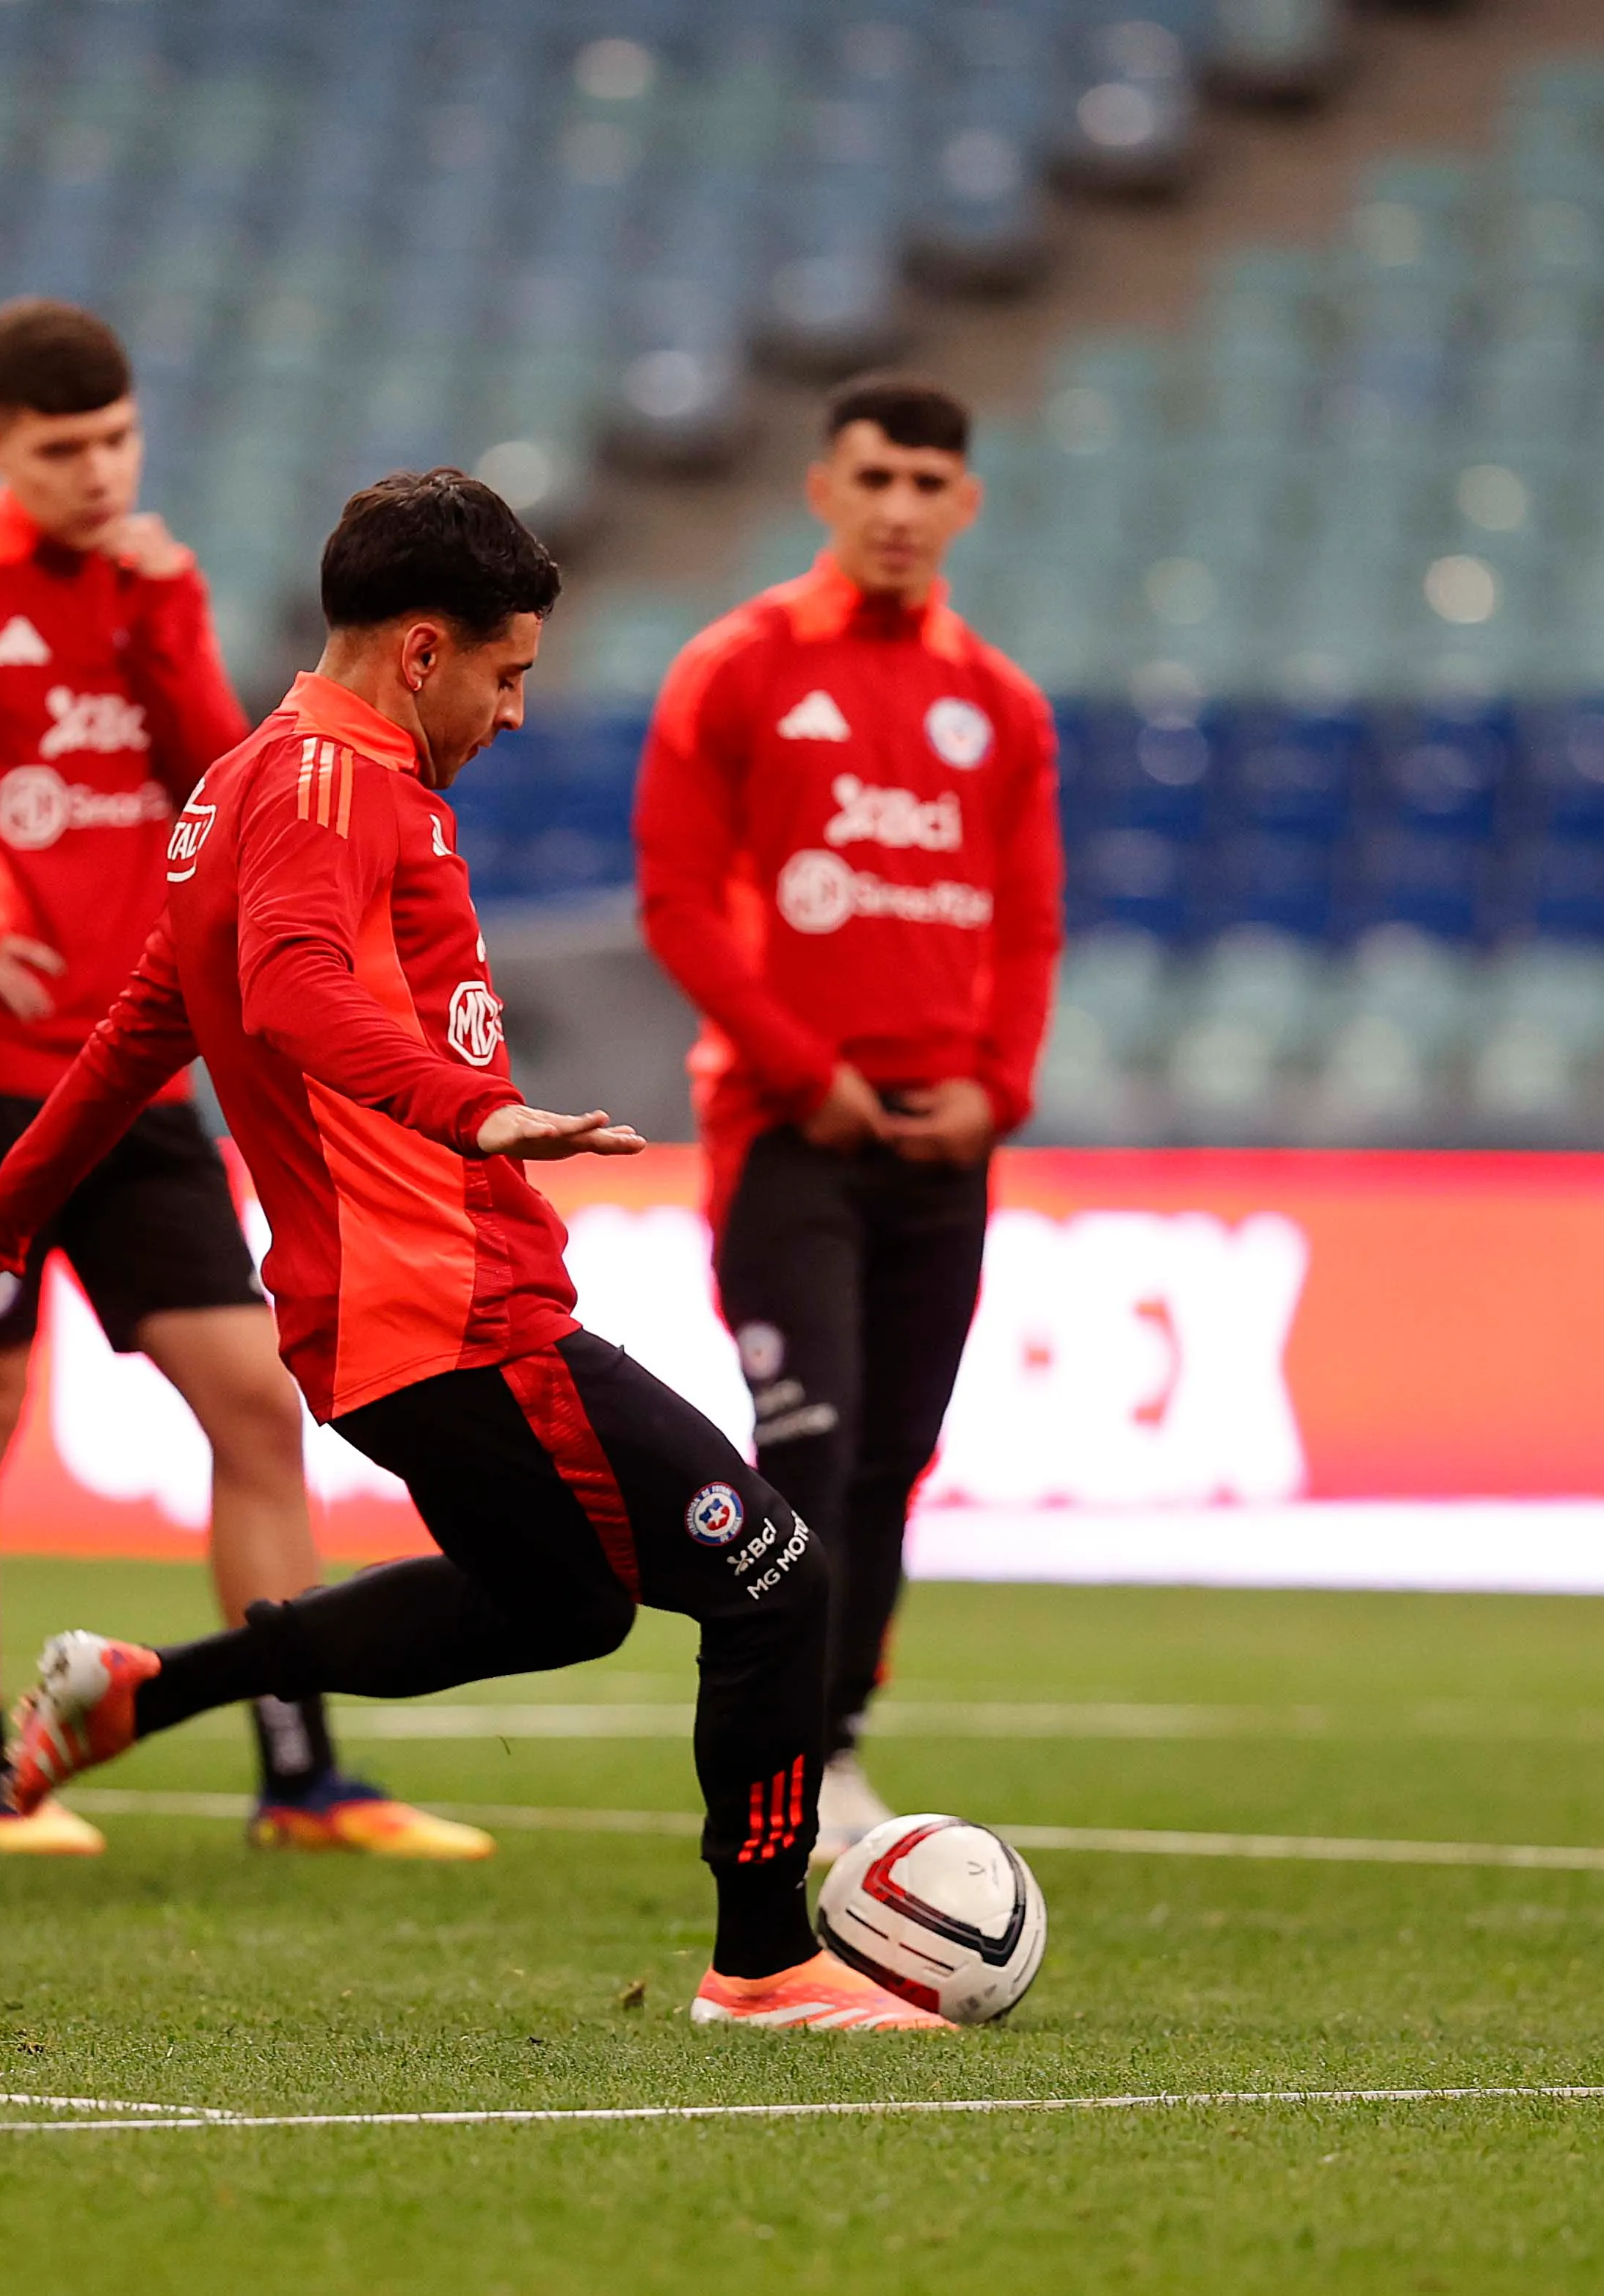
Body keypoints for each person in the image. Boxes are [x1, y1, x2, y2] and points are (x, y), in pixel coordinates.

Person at [0, 470, 948, 2030]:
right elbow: (299, 988)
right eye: (509, 677)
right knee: (776, 1580)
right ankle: (764, 1962)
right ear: (424, 651)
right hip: (446, 1303)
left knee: (564, 1604)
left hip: (386, 1324)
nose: (516, 714)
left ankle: (151, 1688)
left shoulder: (240, 785)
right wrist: (473, 1112)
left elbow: (129, 1041)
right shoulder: (328, 781)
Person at [0, 300, 477, 1858]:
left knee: (257, 1409)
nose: (95, 473)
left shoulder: (154, 588)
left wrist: (160, 630)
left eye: (115, 442)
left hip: (136, 1067)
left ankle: (299, 1780)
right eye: (60, 450)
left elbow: (225, 781)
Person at [632, 374, 1062, 1858]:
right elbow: (678, 904)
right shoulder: (736, 667)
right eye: (871, 478)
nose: (896, 509)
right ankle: (768, 1762)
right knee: (801, 1452)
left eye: (926, 483)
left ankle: (832, 1746)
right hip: (783, 1138)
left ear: (964, 504)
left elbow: (1024, 926)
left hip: (941, 1149)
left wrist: (995, 1094)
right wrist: (797, 1064)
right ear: (821, 488)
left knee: (889, 1461)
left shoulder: (996, 704)